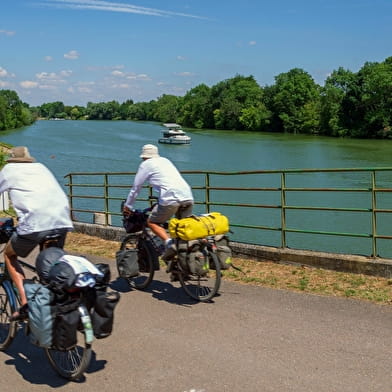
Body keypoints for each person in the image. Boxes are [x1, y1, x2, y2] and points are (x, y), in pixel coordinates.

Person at [0, 146, 74, 320]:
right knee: (50, 266)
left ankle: (26, 305)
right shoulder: (41, 167)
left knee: (9, 256)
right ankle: (55, 302)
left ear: (11, 159)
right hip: (62, 220)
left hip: (36, 223)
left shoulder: (9, 169)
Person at [123, 144, 193, 260]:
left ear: (144, 156)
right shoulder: (165, 160)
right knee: (182, 228)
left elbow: (136, 188)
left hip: (170, 198)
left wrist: (128, 205)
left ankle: (169, 243)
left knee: (152, 222)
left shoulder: (145, 165)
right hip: (187, 196)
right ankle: (185, 262)